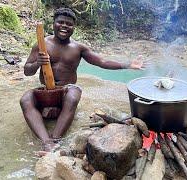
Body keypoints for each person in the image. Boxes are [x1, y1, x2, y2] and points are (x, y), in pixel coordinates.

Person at [20, 8, 146, 152]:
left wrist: (128, 64)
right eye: (60, 22)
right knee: (25, 99)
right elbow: (27, 71)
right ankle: (46, 141)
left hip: (67, 89)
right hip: (45, 91)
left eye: (69, 24)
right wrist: (38, 63)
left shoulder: (78, 48)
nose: (64, 26)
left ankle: (55, 139)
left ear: (73, 27)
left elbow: (102, 62)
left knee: (73, 95)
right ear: (53, 24)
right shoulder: (41, 44)